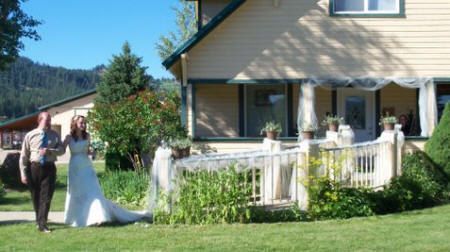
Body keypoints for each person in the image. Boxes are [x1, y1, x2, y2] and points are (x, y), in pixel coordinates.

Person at [62, 115, 150, 227]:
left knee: (93, 191)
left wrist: (93, 153)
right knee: (77, 191)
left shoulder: (87, 136)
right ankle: (78, 217)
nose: (83, 125)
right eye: (81, 123)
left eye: (84, 123)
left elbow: (88, 151)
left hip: (86, 166)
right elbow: (61, 150)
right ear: (74, 124)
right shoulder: (69, 137)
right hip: (74, 167)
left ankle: (99, 217)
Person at [19, 112, 65, 233]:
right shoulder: (30, 135)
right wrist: (23, 173)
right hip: (34, 168)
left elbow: (62, 150)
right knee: (36, 196)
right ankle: (39, 220)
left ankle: (42, 224)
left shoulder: (54, 135)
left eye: (50, 120)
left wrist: (50, 151)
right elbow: (24, 155)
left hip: (49, 168)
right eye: (47, 120)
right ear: (40, 120)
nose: (49, 122)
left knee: (46, 197)